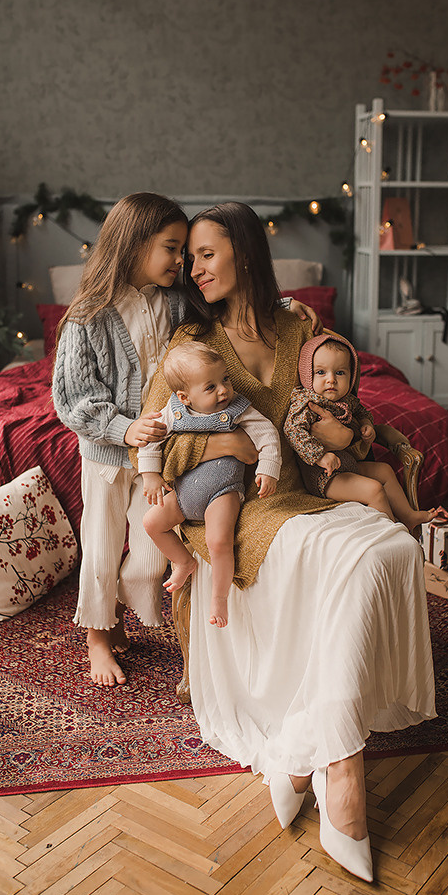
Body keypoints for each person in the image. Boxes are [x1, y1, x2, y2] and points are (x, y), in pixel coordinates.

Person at [134, 202, 436, 883]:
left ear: (242, 253)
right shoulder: (190, 340)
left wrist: (357, 440)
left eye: (205, 253)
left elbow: (339, 393)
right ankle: (344, 770)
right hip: (235, 507)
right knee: (346, 553)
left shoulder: (296, 324)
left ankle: (303, 752)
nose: (194, 267)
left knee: (388, 548)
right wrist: (234, 444)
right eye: (190, 258)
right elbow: (153, 439)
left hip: (308, 491)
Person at [53, 192, 319, 688]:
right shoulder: (88, 316)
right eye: (174, 249)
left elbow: (235, 303)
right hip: (111, 456)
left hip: (166, 453)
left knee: (152, 549)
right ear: (134, 245)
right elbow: (72, 399)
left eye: (190, 253)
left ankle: (125, 601)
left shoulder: (176, 301)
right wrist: (122, 428)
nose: (183, 263)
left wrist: (283, 305)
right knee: (102, 543)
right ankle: (98, 635)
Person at [139, 341, 281, 628]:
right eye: (210, 387)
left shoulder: (237, 409)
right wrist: (150, 475)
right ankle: (183, 562)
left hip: (222, 491)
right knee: (152, 523)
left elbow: (268, 434)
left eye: (225, 379)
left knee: (219, 542)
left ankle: (219, 598)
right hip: (182, 495)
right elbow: (151, 440)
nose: (224, 390)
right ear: (185, 397)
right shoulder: (173, 412)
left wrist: (269, 469)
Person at [285, 332, 436, 533]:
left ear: (352, 375)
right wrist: (320, 456)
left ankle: (408, 516)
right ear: (307, 375)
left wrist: (366, 424)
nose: (331, 380)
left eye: (340, 373)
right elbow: (292, 430)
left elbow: (361, 411)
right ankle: (393, 535)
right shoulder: (307, 404)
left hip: (347, 464)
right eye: (321, 372)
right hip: (324, 476)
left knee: (384, 470)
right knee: (374, 490)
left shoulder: (347, 399)